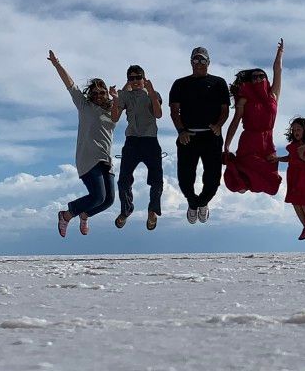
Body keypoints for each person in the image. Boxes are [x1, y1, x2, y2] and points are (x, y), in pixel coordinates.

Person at [47, 50, 115, 238]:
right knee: (97, 196)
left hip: (106, 160)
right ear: (90, 94)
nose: (99, 95)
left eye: (102, 92)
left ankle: (84, 214)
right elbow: (70, 84)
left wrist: (116, 97)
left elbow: (129, 99)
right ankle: (66, 215)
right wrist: (57, 64)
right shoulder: (84, 105)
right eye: (95, 92)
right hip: (88, 158)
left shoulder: (112, 110)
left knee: (109, 200)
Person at [169, 45, 231, 223]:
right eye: (195, 59)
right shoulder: (180, 84)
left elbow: (225, 110)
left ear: (208, 62)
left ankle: (202, 203)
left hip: (211, 136)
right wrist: (181, 131)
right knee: (184, 179)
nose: (198, 63)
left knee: (213, 179)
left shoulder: (219, 83)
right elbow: (174, 111)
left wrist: (219, 125)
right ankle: (192, 203)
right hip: (188, 136)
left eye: (202, 59)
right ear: (191, 62)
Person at [222, 39, 284, 198]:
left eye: (260, 76)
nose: (257, 79)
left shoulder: (273, 95)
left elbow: (278, 71)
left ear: (266, 79)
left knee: (270, 179)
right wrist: (227, 145)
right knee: (242, 182)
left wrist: (279, 54)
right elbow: (235, 122)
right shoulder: (244, 99)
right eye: (254, 77)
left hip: (267, 142)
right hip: (249, 140)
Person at [111, 63, 164, 231]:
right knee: (124, 180)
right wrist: (115, 99)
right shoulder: (125, 96)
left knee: (156, 179)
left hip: (150, 141)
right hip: (132, 141)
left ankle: (152, 211)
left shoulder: (152, 94)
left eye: (138, 78)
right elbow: (114, 118)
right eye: (131, 78)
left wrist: (152, 90)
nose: (135, 81)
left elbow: (158, 114)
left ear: (143, 78)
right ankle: (126, 210)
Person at [279, 117, 305, 241]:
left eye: (298, 129)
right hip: (294, 175)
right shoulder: (293, 145)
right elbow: (290, 157)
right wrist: (277, 159)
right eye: (294, 130)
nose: (296, 132)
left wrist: (302, 156)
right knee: (295, 202)